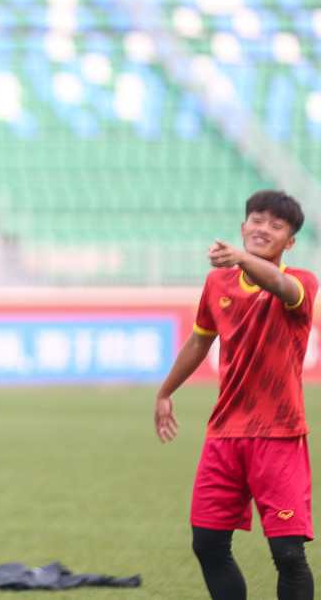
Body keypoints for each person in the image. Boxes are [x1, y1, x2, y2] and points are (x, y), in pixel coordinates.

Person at [154, 189, 316, 600]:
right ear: (243, 227)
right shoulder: (217, 282)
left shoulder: (302, 282)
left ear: (290, 242)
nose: (264, 229)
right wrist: (165, 391)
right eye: (257, 220)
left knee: (288, 554)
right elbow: (199, 341)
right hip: (224, 434)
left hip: (279, 435)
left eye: (276, 226)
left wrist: (243, 258)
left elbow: (277, 283)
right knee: (207, 544)